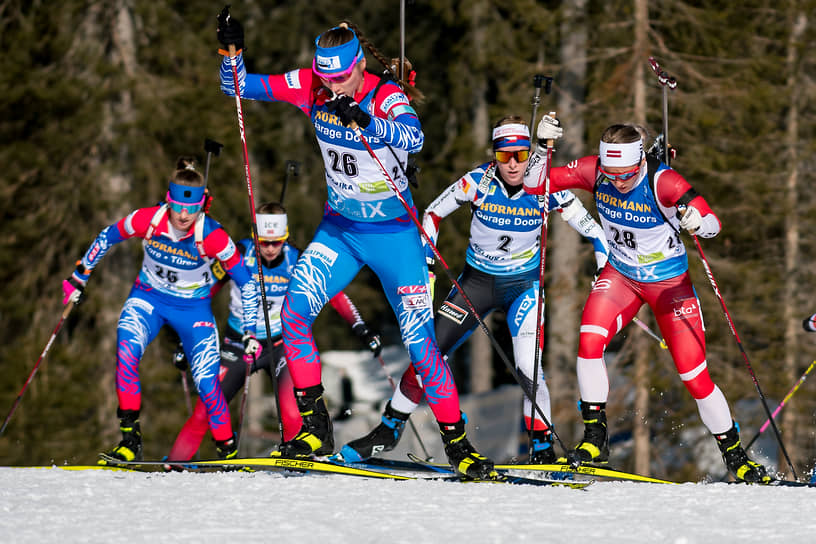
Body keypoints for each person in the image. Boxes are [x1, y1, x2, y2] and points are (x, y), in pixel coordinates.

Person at [215, 9, 497, 479]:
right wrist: (233, 54)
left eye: (342, 78)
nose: (333, 88)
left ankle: (459, 445)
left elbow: (415, 137)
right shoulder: (311, 85)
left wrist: (366, 118)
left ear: (360, 64)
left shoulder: (385, 96)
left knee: (421, 346)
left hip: (395, 238)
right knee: (293, 312)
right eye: (326, 79)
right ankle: (314, 425)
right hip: (341, 232)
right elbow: (239, 87)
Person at [339, 116, 609, 464]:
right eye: (503, 155)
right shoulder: (477, 181)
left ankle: (542, 448)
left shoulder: (548, 188)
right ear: (493, 154)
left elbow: (594, 231)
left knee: (529, 366)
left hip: (522, 288)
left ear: (531, 154)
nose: (513, 164)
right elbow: (433, 213)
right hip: (475, 285)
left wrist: (603, 266)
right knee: (430, 355)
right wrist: (428, 262)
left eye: (521, 155)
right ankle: (388, 429)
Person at [521, 117, 771, 483]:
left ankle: (736, 456)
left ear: (641, 161)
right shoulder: (595, 171)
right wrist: (541, 148)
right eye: (612, 173)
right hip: (621, 277)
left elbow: (714, 222)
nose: (619, 181)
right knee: (589, 340)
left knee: (693, 374)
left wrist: (698, 222)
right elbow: (534, 185)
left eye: (627, 173)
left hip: (670, 287)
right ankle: (595, 439)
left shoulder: (663, 180)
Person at [61, 158, 260, 464]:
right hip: (148, 300)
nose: (183, 215)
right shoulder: (147, 219)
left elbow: (246, 282)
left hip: (193, 311)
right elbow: (106, 236)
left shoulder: (214, 235)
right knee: (126, 354)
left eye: (191, 209)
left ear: (202, 206)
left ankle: (227, 452)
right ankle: (129, 440)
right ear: (168, 200)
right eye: (177, 206)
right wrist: (80, 275)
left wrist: (251, 330)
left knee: (207, 385)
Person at [166, 202, 383, 462]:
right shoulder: (237, 254)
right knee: (206, 409)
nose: (269, 249)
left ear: (285, 237)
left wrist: (361, 328)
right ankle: (173, 465)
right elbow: (202, 291)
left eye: (276, 242)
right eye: (264, 242)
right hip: (238, 344)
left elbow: (335, 294)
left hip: (281, 344)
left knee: (292, 413)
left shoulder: (297, 259)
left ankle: (296, 466)